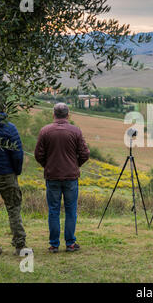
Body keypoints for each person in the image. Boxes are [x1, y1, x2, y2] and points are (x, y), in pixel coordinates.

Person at [35, 103, 90, 253]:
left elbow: (38, 154)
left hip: (52, 176)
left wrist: (48, 165)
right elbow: (85, 154)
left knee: (53, 210)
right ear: (68, 114)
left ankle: (54, 244)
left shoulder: (45, 131)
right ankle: (70, 243)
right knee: (71, 210)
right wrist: (75, 165)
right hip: (71, 177)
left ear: (54, 114)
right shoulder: (75, 131)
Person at [0, 112, 27, 256]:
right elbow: (17, 153)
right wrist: (17, 171)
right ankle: (20, 246)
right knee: (13, 209)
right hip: (7, 175)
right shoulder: (9, 128)